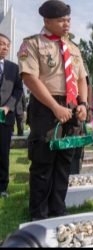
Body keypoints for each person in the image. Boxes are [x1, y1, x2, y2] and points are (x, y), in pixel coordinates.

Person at [17, 0, 88, 220]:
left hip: (72, 106)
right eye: (61, 20)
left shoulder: (73, 48)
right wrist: (55, 107)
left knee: (66, 160)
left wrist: (83, 103)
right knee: (43, 161)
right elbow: (30, 78)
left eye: (68, 19)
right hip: (46, 106)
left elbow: (81, 78)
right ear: (47, 20)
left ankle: (58, 209)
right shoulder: (33, 44)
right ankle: (39, 214)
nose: (67, 24)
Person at [0, 33, 23, 198]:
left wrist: (8, 107)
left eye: (7, 45)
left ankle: (2, 187)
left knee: (3, 153)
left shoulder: (13, 68)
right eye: (2, 44)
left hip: (5, 117)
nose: (5, 47)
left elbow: (18, 90)